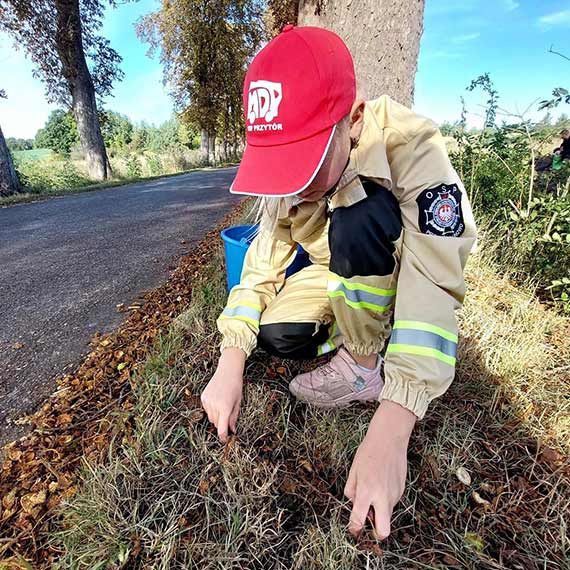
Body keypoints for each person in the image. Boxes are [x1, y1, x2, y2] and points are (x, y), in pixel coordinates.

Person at [200, 25, 477, 540]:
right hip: (338, 271)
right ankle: (354, 330)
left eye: (302, 163)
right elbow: (261, 265)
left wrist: (395, 424)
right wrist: (230, 360)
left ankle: (367, 363)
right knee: (277, 334)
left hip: (397, 264)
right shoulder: (290, 184)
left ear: (351, 120)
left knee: (358, 215)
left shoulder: (411, 146)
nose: (292, 188)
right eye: (278, 164)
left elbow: (435, 280)